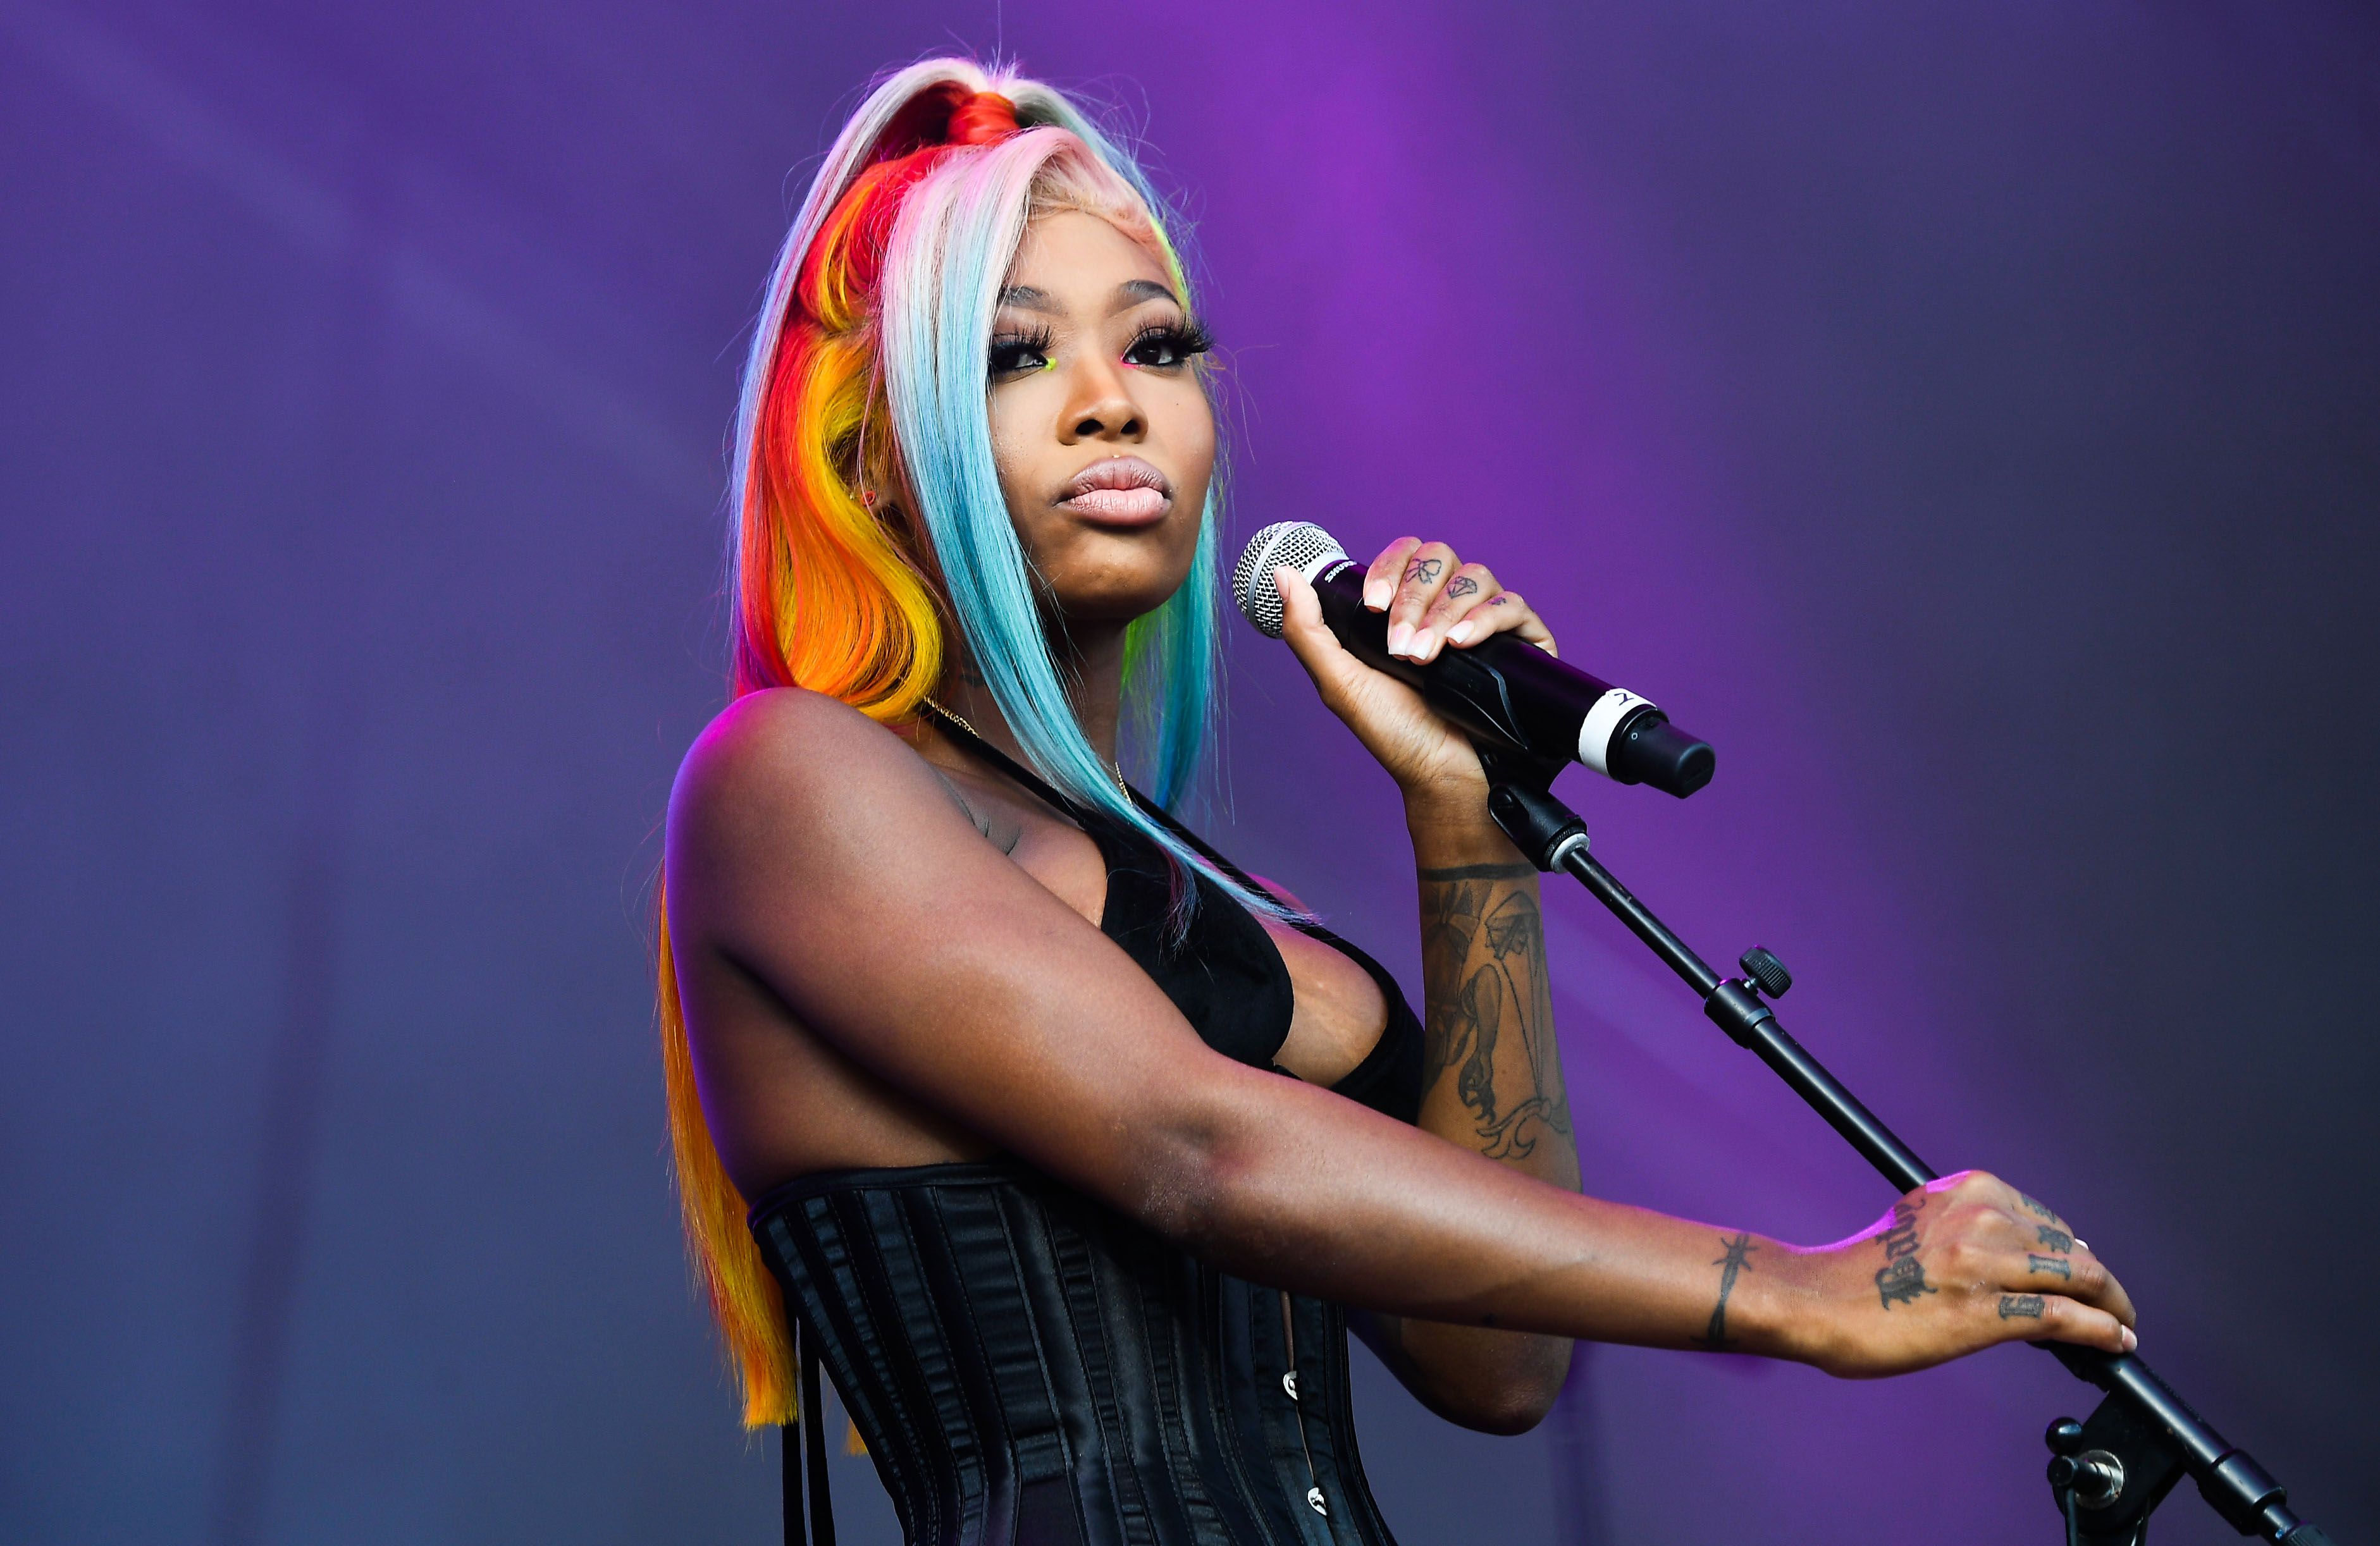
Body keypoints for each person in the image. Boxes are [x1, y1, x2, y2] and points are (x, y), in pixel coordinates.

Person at [657, 58, 2138, 1546]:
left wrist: (1459, 810)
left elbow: (1493, 1360)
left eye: (1159, 347)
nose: (1113, 404)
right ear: (870, 457)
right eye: (1012, 357)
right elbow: (1201, 1148)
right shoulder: (791, 778)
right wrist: (1812, 1289)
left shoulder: (1206, 893)